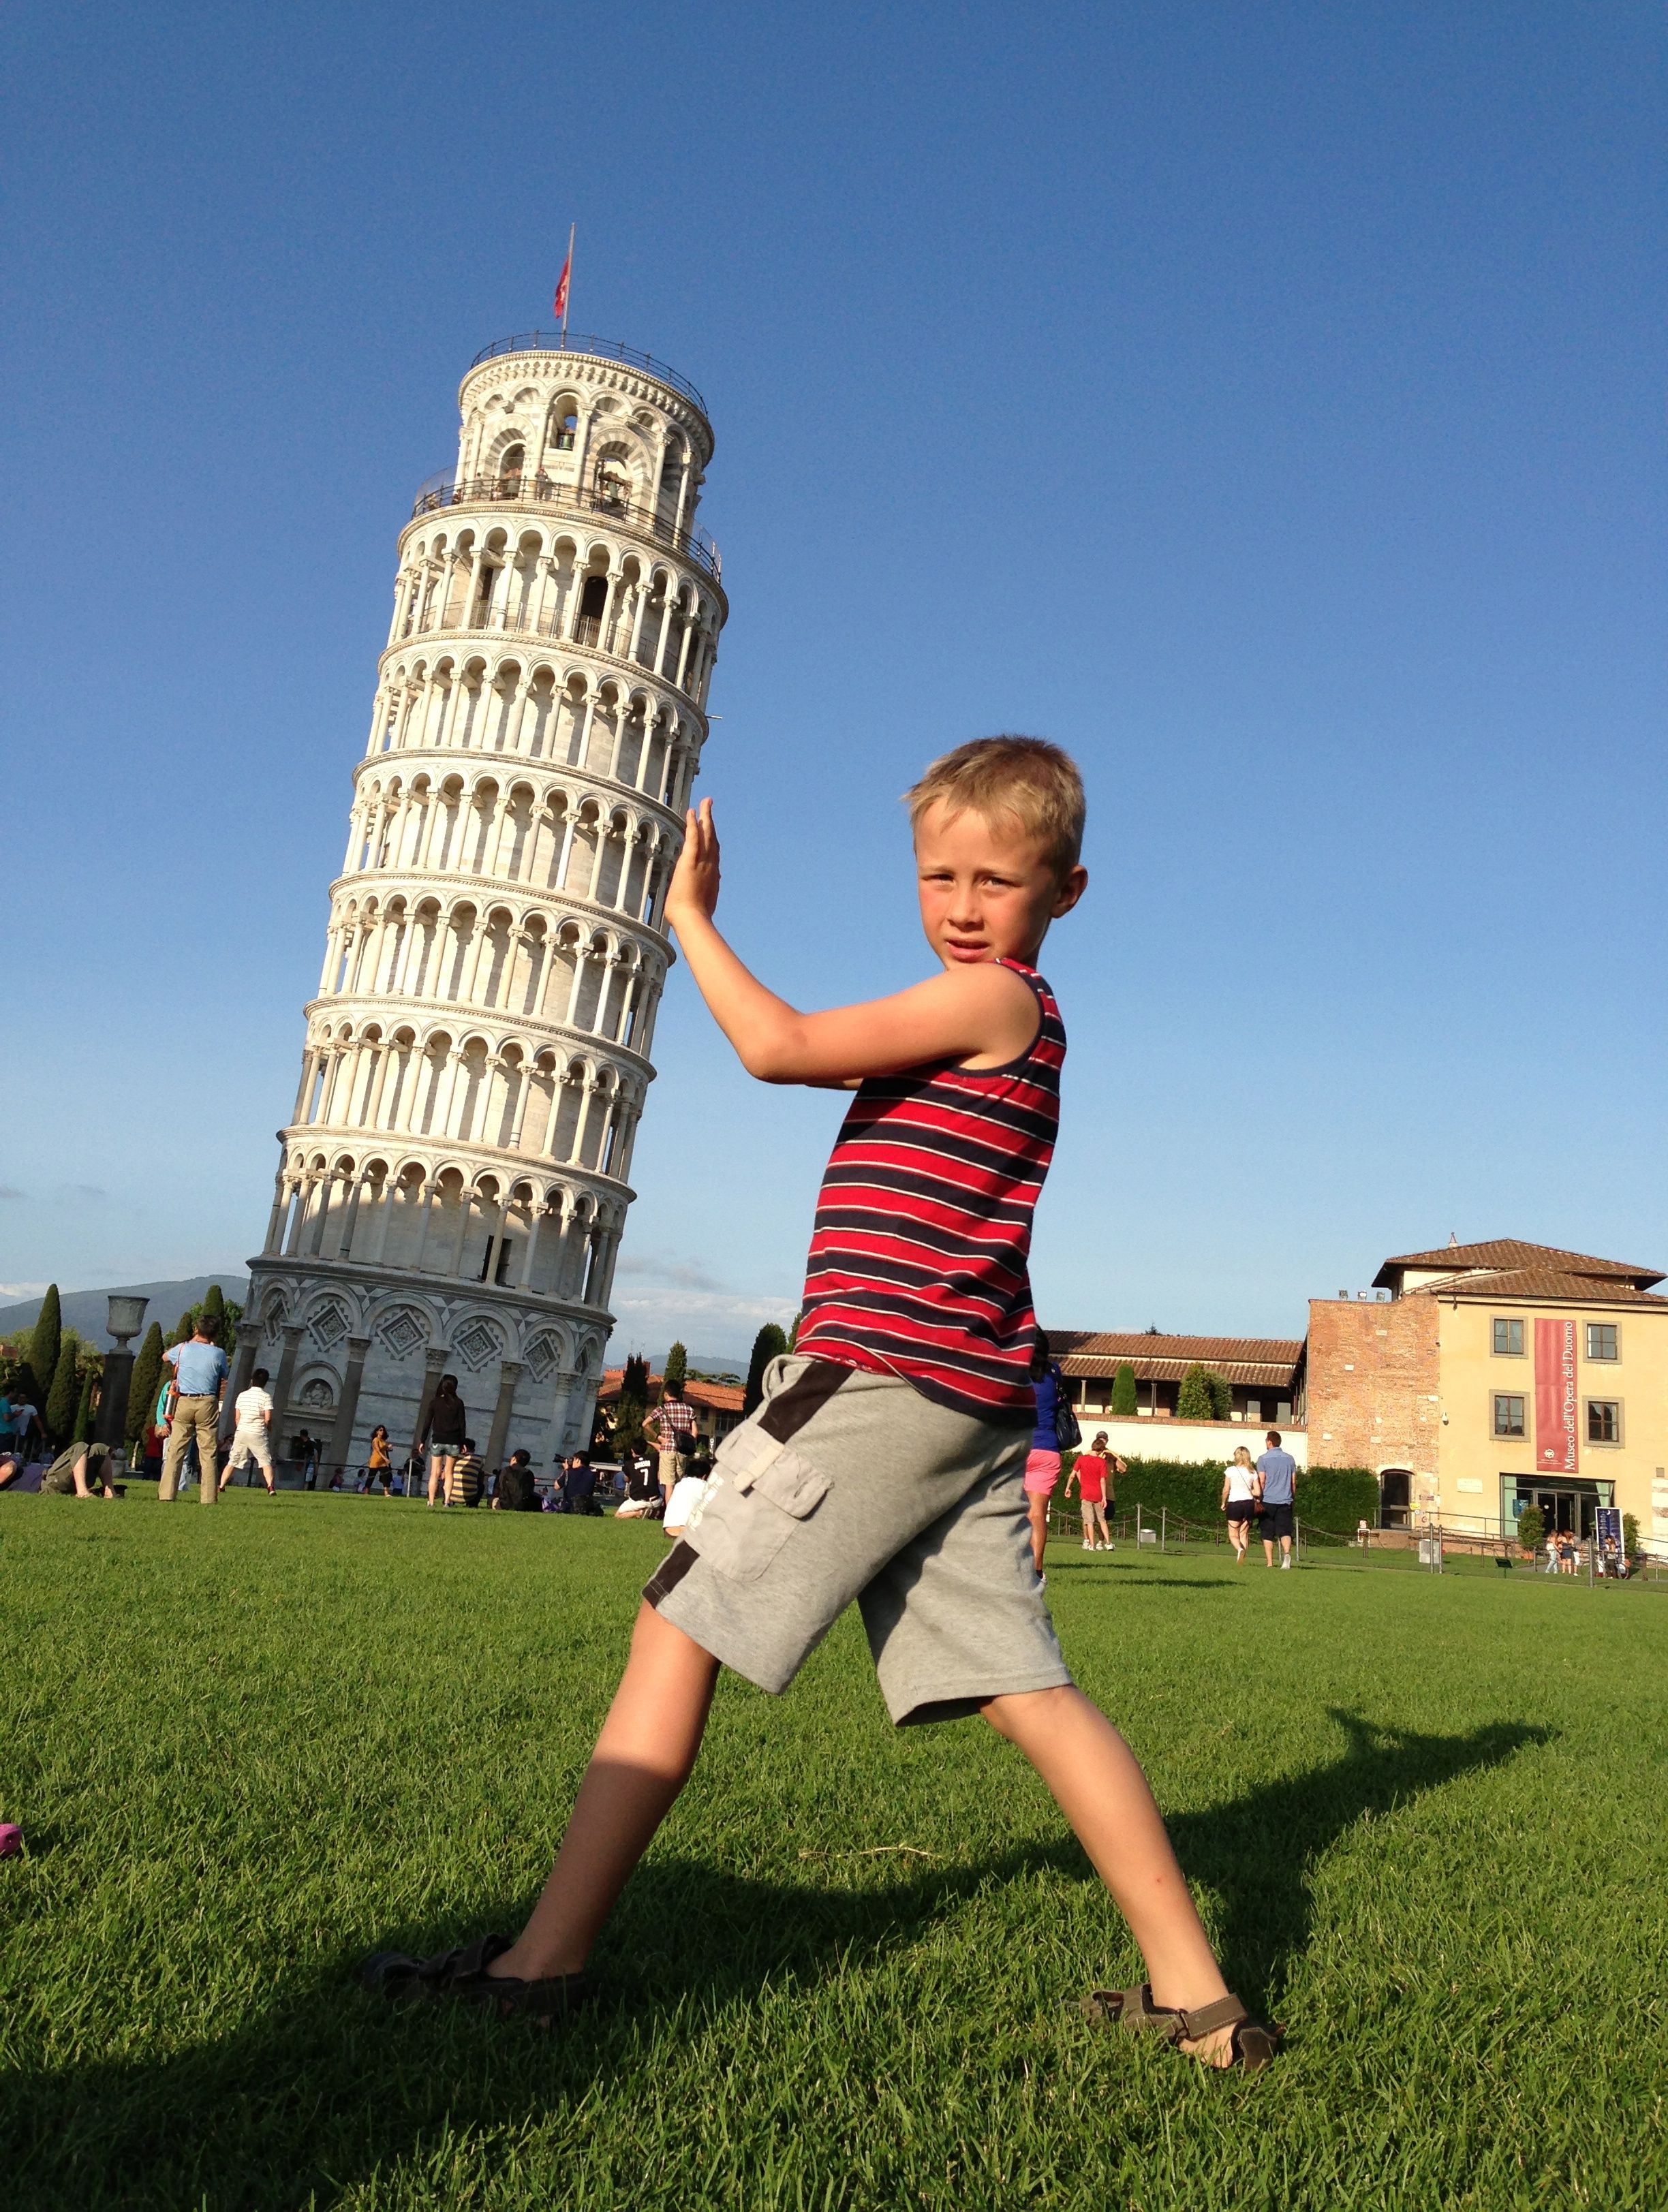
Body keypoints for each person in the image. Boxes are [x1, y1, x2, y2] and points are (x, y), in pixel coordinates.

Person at [362, 738, 1275, 2068]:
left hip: (880, 1375)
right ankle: (1200, 1999)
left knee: (673, 1625)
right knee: (1028, 1690)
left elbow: (778, 1046)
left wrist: (687, 916)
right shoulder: (997, 1022)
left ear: (1065, 892)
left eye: (997, 881)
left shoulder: (992, 1001)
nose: (962, 904)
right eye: (938, 875)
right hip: (969, 1397)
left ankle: (539, 1965)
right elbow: (837, 1063)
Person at [159, 1315, 228, 1506]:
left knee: (176, 1450)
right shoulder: (219, 1353)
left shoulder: (183, 1349)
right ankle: (208, 1498)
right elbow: (224, 1374)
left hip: (184, 1401)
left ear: (196, 1329)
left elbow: (165, 1357)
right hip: (207, 1402)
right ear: (215, 1333)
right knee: (208, 1452)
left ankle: (167, 1495)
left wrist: (190, 1342)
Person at [1022, 1335, 1064, 1578]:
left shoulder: (1015, 1373)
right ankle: (1037, 1571)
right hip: (1048, 1449)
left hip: (1018, 1447)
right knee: (1037, 1514)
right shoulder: (1054, 1372)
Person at [220, 1367, 279, 1495]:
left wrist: (240, 1428)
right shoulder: (266, 1397)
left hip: (242, 1431)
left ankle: (222, 1485)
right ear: (265, 1382)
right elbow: (268, 1419)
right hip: (258, 1432)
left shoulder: (242, 1396)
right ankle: (270, 1487)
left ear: (252, 1380)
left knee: (233, 1461)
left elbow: (237, 1418)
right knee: (265, 1462)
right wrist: (269, 1428)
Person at [418, 1374, 467, 1507]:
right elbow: (462, 1424)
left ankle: (431, 1501)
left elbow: (427, 1423)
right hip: (453, 1441)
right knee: (449, 1472)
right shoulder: (459, 1403)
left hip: (438, 1439)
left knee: (435, 1472)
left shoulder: (435, 1402)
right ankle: (447, 1501)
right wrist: (463, 1442)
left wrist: (423, 1440)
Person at [646, 1380, 697, 1506]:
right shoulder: (689, 1410)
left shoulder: (661, 1409)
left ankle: (669, 1513)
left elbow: (645, 1424)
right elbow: (695, 1432)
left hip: (667, 1450)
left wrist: (658, 1437)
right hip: (681, 1451)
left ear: (666, 1394)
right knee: (678, 1484)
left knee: (669, 1486)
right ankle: (677, 1511)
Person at [1256, 1429, 1297, 1569]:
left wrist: (1258, 1498)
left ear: (1270, 1442)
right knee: (1285, 1531)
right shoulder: (1290, 1459)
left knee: (1267, 1532)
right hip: (1285, 1500)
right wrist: (1292, 1497)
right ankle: (1287, 1554)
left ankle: (1270, 1562)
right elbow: (1293, 1482)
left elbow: (1262, 1481)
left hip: (1268, 1500)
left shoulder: (1263, 1459)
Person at [1071, 1432, 1119, 1551]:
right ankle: (1107, 1543)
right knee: (1102, 1520)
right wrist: (1104, 1497)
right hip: (1099, 1494)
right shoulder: (1102, 1462)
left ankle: (1091, 1544)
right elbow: (1102, 1481)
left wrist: (1072, 1486)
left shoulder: (1083, 1458)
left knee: (1089, 1521)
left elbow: (1074, 1473)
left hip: (1087, 1493)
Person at [1220, 1446, 1259, 1564]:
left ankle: (1239, 1549)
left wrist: (1223, 1503)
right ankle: (1242, 1560)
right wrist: (1249, 1491)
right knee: (1244, 1533)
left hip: (1235, 1504)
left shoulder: (1230, 1471)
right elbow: (1258, 1492)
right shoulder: (1252, 1472)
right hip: (1249, 1504)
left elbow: (1226, 1490)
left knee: (1233, 1534)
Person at [42, 1441, 118, 1497]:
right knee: (80, 1446)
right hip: (52, 1482)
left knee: (101, 1448)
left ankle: (110, 1491)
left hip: (71, 1487)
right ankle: (82, 1492)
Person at [446, 1439, 484, 1509]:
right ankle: (473, 1504)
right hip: (470, 1496)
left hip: (451, 1495)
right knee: (480, 1482)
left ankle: (447, 1501)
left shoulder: (455, 1457)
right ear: (473, 1449)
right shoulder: (479, 1459)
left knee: (448, 1475)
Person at [367, 1424, 393, 1495]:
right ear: (377, 1432)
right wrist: (386, 1459)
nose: (382, 1431)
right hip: (376, 1461)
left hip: (382, 1462)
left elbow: (386, 1448)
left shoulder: (383, 1441)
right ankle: (366, 1491)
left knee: (386, 1476)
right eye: (380, 1430)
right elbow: (378, 1451)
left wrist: (389, 1447)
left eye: (383, 1430)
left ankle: (386, 1492)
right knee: (371, 1476)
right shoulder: (376, 1440)